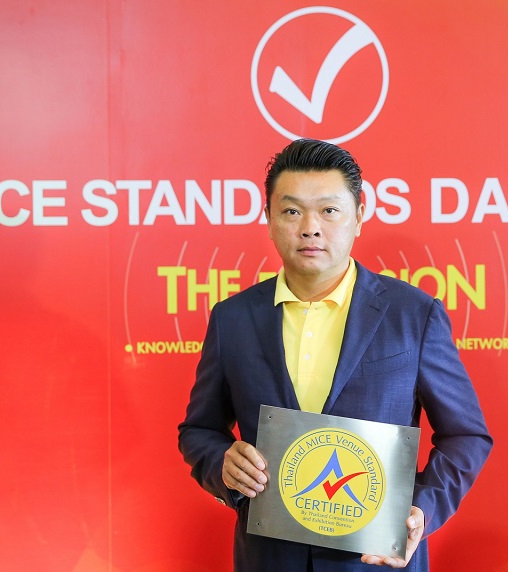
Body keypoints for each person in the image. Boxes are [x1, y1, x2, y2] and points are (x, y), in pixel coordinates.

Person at [178, 138, 492, 571]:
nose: (310, 227)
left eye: (329, 210)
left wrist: (422, 510)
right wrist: (221, 465)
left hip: (375, 561)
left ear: (359, 217)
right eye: (291, 211)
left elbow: (466, 435)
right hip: (270, 560)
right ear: (268, 219)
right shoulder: (233, 319)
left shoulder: (413, 315)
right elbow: (199, 430)